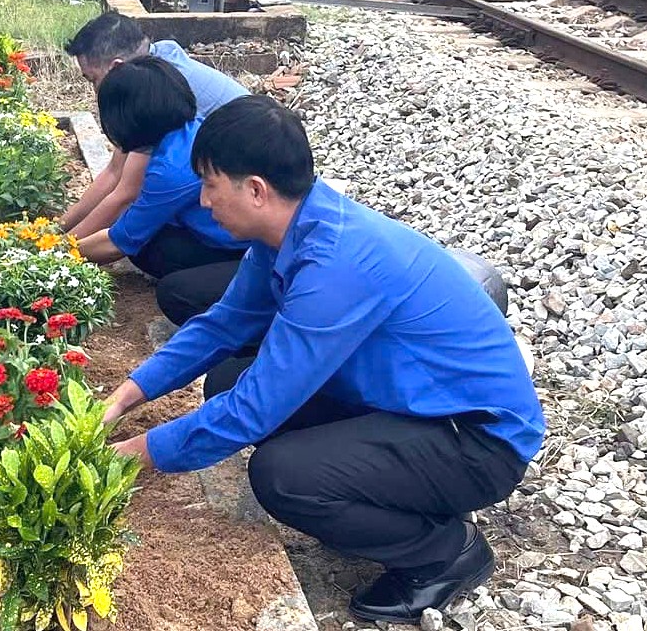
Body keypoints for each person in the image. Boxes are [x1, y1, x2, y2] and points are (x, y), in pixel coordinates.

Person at [101, 96, 545, 624]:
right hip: (410, 407)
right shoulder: (291, 228)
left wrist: (129, 454)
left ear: (256, 190)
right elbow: (223, 324)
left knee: (285, 476)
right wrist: (124, 397)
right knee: (227, 379)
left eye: (210, 185)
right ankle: (385, 494)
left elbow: (255, 411)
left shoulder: (336, 264)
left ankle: (445, 552)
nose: (202, 201)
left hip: (475, 441)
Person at [59, 11, 246, 238]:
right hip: (213, 187)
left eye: (93, 80)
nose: (95, 90)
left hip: (241, 210)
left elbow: (125, 193)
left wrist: (59, 248)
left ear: (116, 67)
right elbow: (113, 171)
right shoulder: (152, 68)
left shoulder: (156, 91)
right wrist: (57, 227)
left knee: (144, 238)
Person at [71, 58, 251, 291]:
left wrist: (56, 253)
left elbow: (117, 243)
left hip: (245, 250)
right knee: (147, 242)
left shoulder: (172, 170)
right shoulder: (187, 129)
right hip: (224, 233)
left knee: (175, 291)